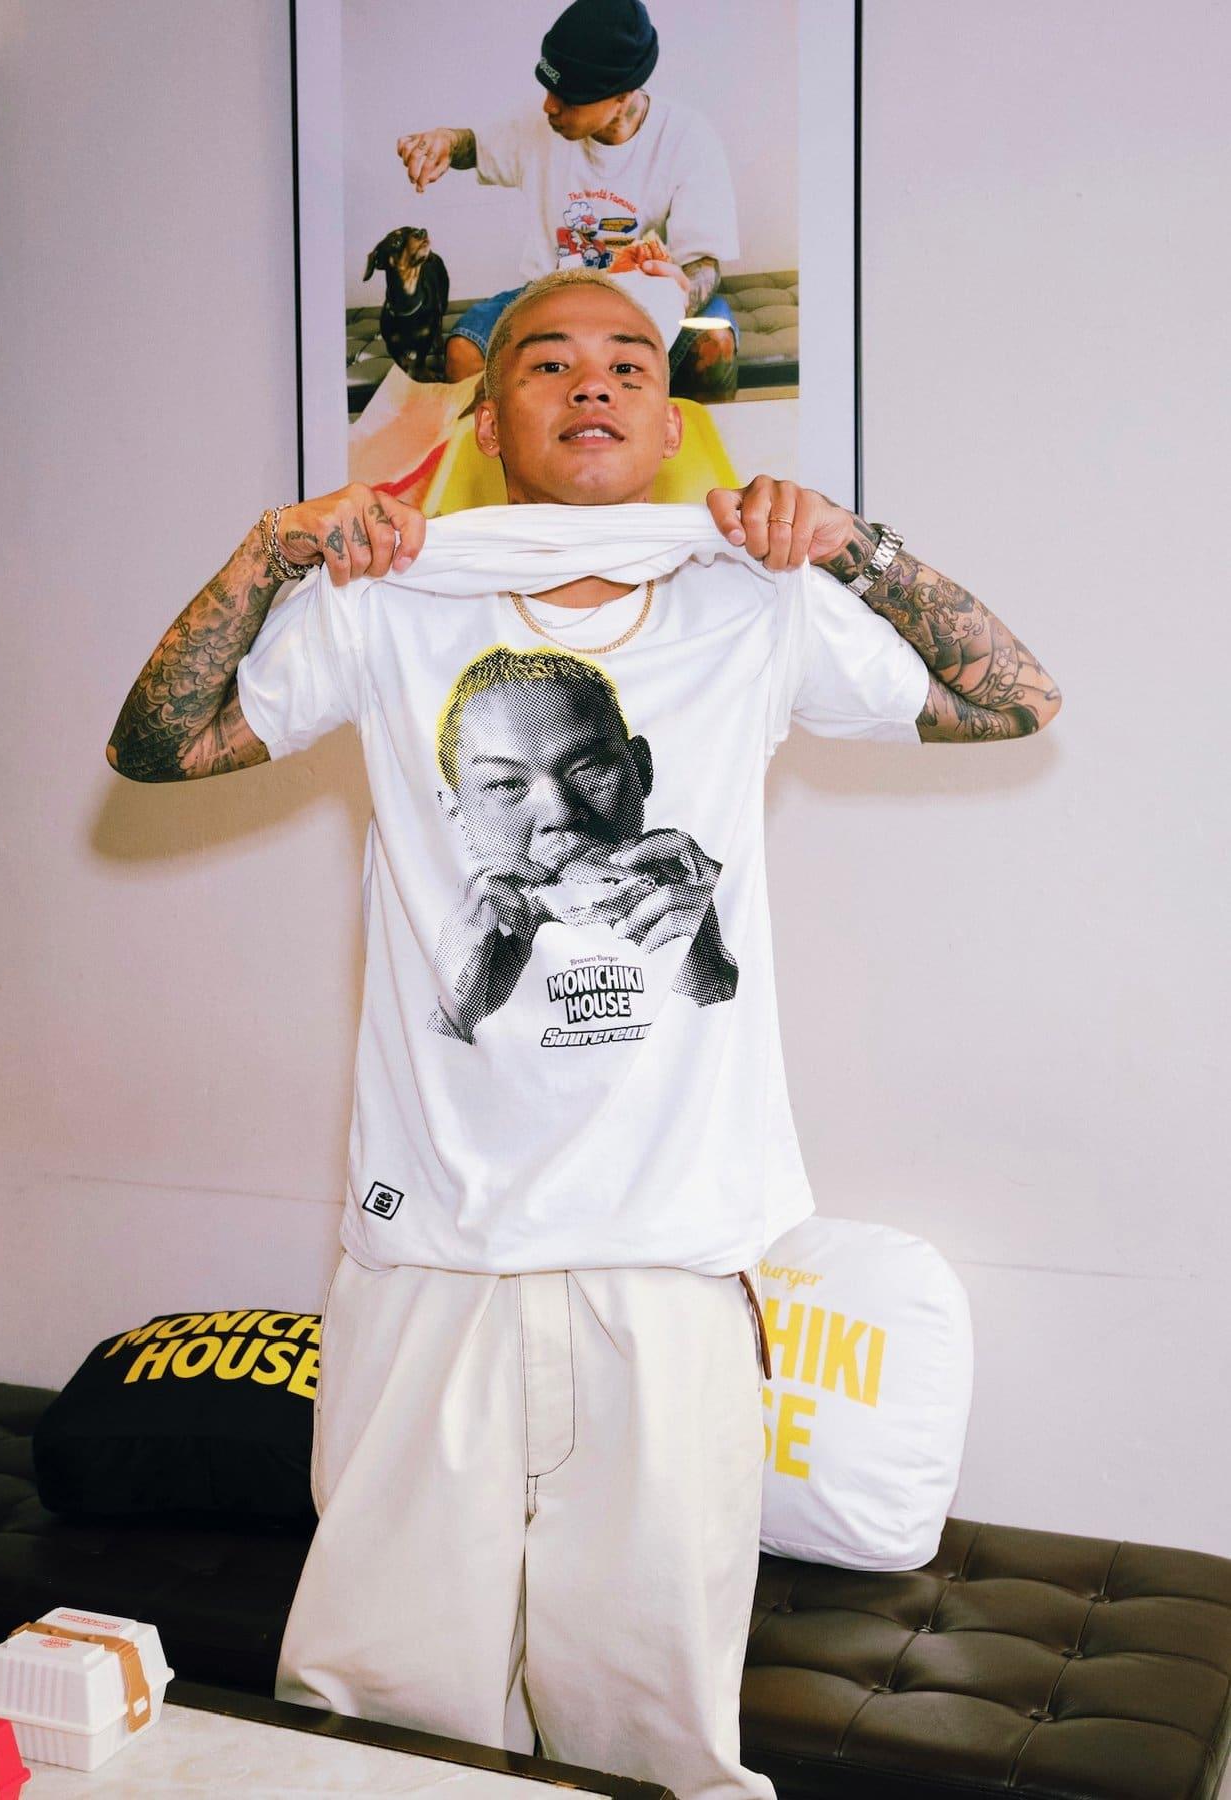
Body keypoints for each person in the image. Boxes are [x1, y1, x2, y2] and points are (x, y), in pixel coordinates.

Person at [105, 267, 1061, 1799]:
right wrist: (271, 551)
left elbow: (1013, 700)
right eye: (548, 361)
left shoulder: (751, 604)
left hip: (671, 1260)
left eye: (628, 360)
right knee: (381, 1718)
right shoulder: (384, 606)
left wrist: (852, 547)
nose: (593, 382)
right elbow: (159, 746)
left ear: (671, 417)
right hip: (433, 1257)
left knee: (655, 1728)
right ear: (489, 422)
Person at [396, 0, 742, 400]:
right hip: (550, 297)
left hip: (645, 306)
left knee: (713, 345)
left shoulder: (687, 139)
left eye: (569, 98)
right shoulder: (537, 125)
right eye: (548, 89)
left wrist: (678, 296)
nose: (550, 106)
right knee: (463, 355)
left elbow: (702, 265)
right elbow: (473, 147)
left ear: (623, 96)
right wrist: (445, 141)